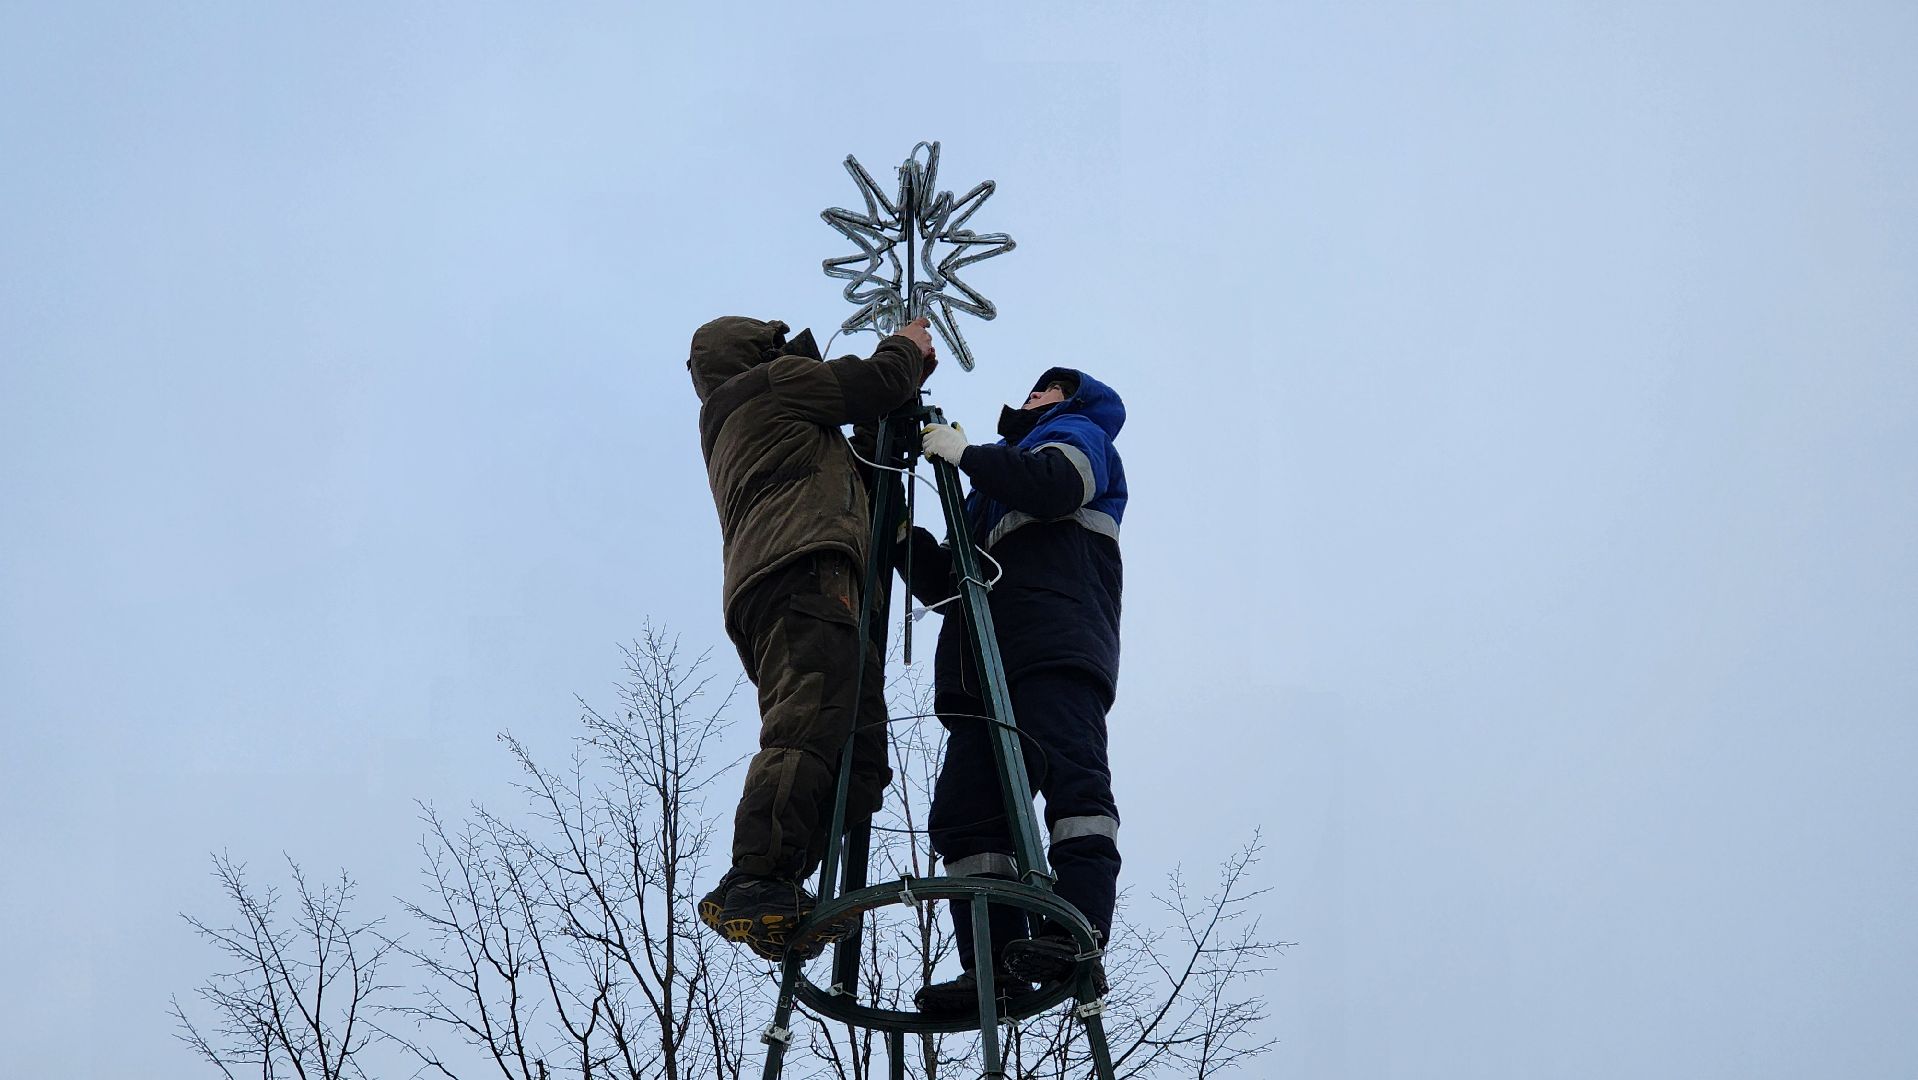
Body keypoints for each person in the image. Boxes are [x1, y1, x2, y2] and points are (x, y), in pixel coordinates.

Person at [687, 314, 935, 960]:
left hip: (802, 585)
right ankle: (757, 875)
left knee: (860, 765)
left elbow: (859, 480)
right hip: (802, 577)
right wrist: (905, 349)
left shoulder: (765, 415)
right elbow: (875, 382)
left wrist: (881, 432)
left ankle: (775, 891)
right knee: (806, 726)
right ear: (756, 353)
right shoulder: (770, 385)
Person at [895, 368, 1127, 1014]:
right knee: (966, 815)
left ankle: (1074, 933)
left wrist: (969, 456)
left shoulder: (1078, 434)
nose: (1034, 393)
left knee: (1073, 785)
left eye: (1049, 387)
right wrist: (902, 540)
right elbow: (951, 583)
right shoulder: (990, 490)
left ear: (1072, 399)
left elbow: (1053, 488)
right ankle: (992, 967)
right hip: (981, 669)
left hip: (1054, 641)